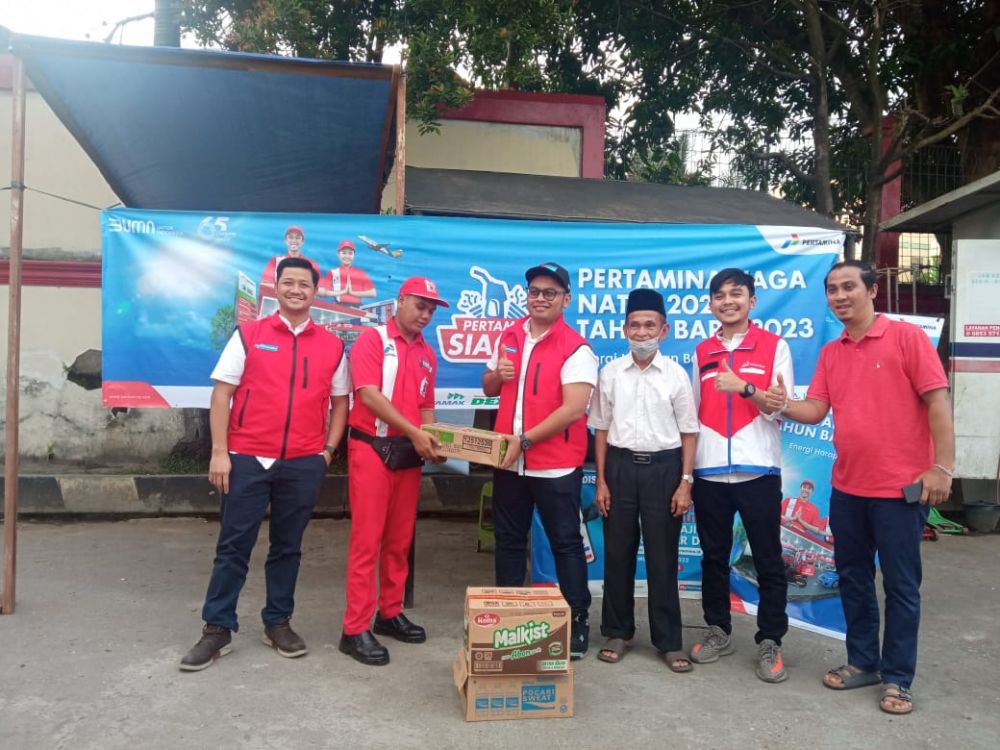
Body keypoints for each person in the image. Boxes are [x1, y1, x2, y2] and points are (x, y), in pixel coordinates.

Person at [777, 260, 954, 715]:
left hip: (900, 492)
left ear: (872, 290)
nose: (840, 296)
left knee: (900, 587)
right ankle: (863, 662)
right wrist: (775, 402)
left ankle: (898, 678)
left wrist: (943, 468)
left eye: (848, 287)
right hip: (848, 489)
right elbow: (815, 410)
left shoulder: (906, 338)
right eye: (832, 289)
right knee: (853, 580)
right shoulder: (831, 352)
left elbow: (938, 401)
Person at [181, 256, 349, 672]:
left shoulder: (331, 346)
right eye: (288, 282)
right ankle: (217, 628)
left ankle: (278, 622)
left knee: (288, 547)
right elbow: (222, 394)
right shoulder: (250, 334)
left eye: (304, 284)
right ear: (276, 288)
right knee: (233, 546)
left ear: (315, 292)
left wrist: (327, 451)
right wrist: (220, 452)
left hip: (303, 462)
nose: (296, 290)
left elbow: (340, 402)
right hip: (247, 458)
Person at [483, 261, 598, 659]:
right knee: (508, 541)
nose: (541, 298)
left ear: (566, 299)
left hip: (555, 465)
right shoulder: (510, 335)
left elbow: (573, 409)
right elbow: (488, 387)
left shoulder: (577, 348)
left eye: (550, 292)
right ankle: (507, 618)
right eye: (534, 291)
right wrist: (497, 375)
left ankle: (578, 620)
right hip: (510, 462)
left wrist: (525, 440)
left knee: (565, 543)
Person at [688, 267, 794, 683]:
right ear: (711, 304)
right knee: (713, 557)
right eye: (719, 295)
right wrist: (687, 472)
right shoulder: (702, 351)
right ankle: (718, 628)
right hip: (710, 472)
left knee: (767, 559)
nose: (727, 301)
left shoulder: (774, 346)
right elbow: (694, 414)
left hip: (758, 471)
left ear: (752, 301)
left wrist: (745, 388)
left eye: (736, 294)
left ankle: (771, 639)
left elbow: (780, 406)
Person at [339, 276, 448, 666]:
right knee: (367, 542)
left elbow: (426, 407)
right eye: (420, 306)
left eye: (431, 310)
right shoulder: (373, 340)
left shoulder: (427, 353)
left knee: (399, 541)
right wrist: (417, 433)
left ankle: (389, 612)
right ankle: (354, 629)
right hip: (371, 448)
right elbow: (368, 395)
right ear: (400, 302)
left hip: (408, 454)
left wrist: (434, 440)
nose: (426, 315)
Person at [588, 289, 698, 671]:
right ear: (624, 330)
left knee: (662, 556)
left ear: (664, 330)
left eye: (650, 325)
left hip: (665, 469)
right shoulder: (611, 373)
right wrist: (601, 481)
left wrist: (685, 482)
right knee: (617, 553)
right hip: (619, 467)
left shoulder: (676, 375)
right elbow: (601, 429)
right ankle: (618, 632)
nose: (642, 332)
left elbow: (689, 432)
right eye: (634, 325)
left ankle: (668, 640)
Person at [259, 225, 321, 291]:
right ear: (286, 240)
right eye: (290, 237)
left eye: (297, 238)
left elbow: (318, 288)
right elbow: (265, 284)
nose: (294, 241)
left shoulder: (312, 264)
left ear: (302, 241)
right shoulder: (275, 261)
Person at [319, 239, 377, 306]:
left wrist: (352, 293)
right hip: (338, 307)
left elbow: (373, 293)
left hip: (357, 307)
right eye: (344, 253)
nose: (347, 256)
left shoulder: (361, 273)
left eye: (350, 253)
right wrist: (343, 292)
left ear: (354, 255)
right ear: (338, 254)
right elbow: (321, 292)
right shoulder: (333, 273)